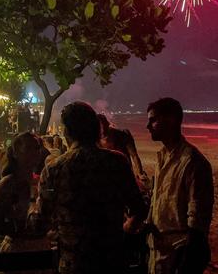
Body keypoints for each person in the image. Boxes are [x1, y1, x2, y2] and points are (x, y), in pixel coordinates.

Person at [32, 101, 148, 273]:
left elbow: (40, 222)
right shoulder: (117, 162)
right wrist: (125, 229)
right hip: (112, 261)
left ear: (67, 132)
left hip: (73, 263)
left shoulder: (54, 169)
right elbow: (139, 208)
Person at [145, 98, 214, 274]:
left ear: (171, 120)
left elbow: (198, 222)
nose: (148, 126)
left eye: (153, 120)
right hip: (158, 253)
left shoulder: (192, 162)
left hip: (177, 255)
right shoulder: (161, 158)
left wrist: (186, 263)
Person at [0, 132, 48, 254]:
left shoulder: (41, 181)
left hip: (42, 248)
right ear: (16, 153)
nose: (35, 153)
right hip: (17, 249)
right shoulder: (7, 184)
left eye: (37, 148)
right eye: (28, 148)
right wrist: (24, 228)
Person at [97, 113, 148, 184]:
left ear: (107, 124)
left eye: (103, 126)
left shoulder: (123, 134)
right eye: (98, 127)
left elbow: (134, 155)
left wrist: (140, 173)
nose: (102, 130)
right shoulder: (95, 140)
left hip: (124, 174)